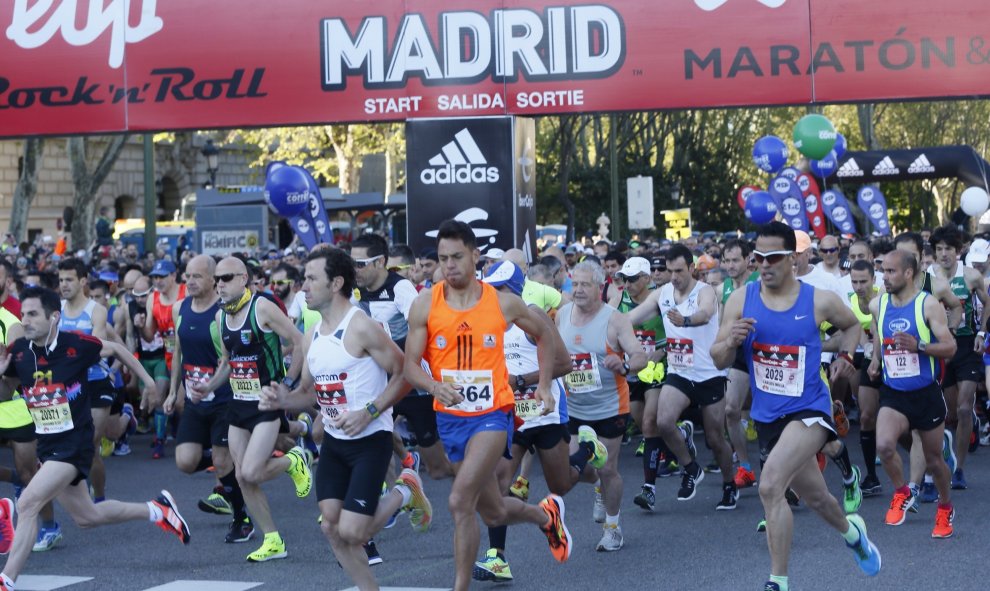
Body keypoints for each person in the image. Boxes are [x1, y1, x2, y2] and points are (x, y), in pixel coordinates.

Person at [402, 220, 572, 591]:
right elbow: (409, 367)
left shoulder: (502, 302)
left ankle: (459, 587)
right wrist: (433, 386)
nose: (449, 265)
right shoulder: (424, 305)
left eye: (457, 257)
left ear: (476, 256)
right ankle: (545, 517)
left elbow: (544, 334)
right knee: (492, 509)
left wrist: (543, 385)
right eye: (443, 258)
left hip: (494, 415)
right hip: (451, 418)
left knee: (459, 500)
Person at [711, 222, 880, 591]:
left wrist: (847, 356)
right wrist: (731, 341)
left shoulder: (818, 299)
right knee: (818, 498)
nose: (763, 265)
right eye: (758, 258)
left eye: (772, 258)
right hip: (769, 414)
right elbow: (717, 357)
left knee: (770, 486)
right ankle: (853, 533)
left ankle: (778, 581)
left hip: (810, 409)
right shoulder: (741, 299)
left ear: (791, 258)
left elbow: (851, 326)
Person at [260, 248, 433, 591]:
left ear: (336, 282)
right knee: (331, 528)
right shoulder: (312, 335)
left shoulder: (361, 326)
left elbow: (406, 373)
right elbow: (309, 393)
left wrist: (370, 410)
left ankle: (405, 491)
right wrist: (283, 400)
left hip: (371, 441)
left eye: (310, 279)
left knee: (355, 531)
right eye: (303, 279)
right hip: (336, 444)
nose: (302, 288)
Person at [0, 287, 189, 591]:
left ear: (54, 317)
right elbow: (5, 394)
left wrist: (150, 382)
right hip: (48, 446)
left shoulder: (76, 345)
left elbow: (116, 349)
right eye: (23, 314)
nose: (26, 320)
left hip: (74, 445)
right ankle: (158, 509)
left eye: (33, 314)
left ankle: (6, 580)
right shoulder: (20, 352)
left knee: (28, 503)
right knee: (87, 516)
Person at [473, 261, 598, 582]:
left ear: (515, 291)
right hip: (509, 416)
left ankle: (586, 449)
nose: (493, 296)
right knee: (499, 483)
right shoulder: (485, 322)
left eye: (499, 290)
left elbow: (565, 364)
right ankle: (496, 557)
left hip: (545, 412)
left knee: (560, 484)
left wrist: (522, 379)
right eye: (490, 289)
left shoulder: (533, 317)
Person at [187, 255, 309, 562]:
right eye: (217, 280)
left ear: (244, 278)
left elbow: (299, 341)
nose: (221, 285)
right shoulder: (220, 317)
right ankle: (273, 540)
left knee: (252, 471)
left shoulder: (262, 307)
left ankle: (294, 460)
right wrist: (209, 387)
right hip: (238, 404)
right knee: (242, 477)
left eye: (227, 278)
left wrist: (289, 382)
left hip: (267, 402)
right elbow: (228, 363)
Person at [628, 245, 736, 508]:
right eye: (669, 270)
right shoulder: (661, 294)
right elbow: (630, 318)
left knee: (714, 437)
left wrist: (685, 321)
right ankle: (691, 468)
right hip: (679, 372)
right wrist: (606, 325)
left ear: (691, 269)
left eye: (679, 270)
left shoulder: (705, 291)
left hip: (709, 373)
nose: (673, 276)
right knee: (662, 422)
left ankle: (729, 484)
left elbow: (706, 313)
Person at [163, 255, 253, 544]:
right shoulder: (180, 308)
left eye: (197, 276)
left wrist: (213, 384)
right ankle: (229, 464)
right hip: (194, 399)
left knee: (223, 462)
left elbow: (228, 359)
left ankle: (242, 518)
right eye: (187, 275)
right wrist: (172, 390)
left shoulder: (223, 312)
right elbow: (177, 352)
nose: (189, 281)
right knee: (185, 462)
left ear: (214, 279)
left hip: (224, 398)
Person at [557, 260, 646, 550]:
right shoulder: (562, 316)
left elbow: (640, 356)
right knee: (576, 469)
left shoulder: (615, 320)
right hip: (575, 408)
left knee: (608, 468)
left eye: (585, 284)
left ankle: (613, 528)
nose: (579, 290)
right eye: (575, 284)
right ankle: (598, 486)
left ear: (600, 287)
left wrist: (624, 364)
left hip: (610, 406)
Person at [869, 249, 957, 537]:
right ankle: (902, 491)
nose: (885, 276)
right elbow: (878, 333)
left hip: (925, 393)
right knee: (884, 445)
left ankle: (945, 508)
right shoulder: (878, 304)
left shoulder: (928, 304)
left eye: (891, 271)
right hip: (894, 392)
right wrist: (875, 360)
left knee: (934, 460)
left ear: (908, 273)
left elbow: (950, 347)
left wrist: (919, 345)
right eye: (883, 271)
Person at [927, 224, 990, 489]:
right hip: (942, 346)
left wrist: (982, 332)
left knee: (964, 409)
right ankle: (966, 429)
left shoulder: (972, 276)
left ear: (958, 250)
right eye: (939, 249)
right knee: (951, 413)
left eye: (948, 249)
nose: (943, 254)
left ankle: (960, 469)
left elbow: (987, 302)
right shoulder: (927, 277)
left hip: (966, 345)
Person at [614, 257, 667, 512]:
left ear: (647, 278)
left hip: (657, 367)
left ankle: (649, 489)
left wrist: (663, 350)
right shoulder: (619, 300)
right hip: (633, 371)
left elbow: (681, 335)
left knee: (649, 423)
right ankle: (678, 439)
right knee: (643, 423)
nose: (628, 283)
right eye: (624, 278)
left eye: (633, 279)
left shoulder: (661, 298)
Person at [719, 239, 760, 490]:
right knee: (731, 410)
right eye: (727, 260)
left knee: (775, 415)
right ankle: (745, 466)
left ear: (748, 260)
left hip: (765, 352)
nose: (731, 265)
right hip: (739, 354)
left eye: (736, 260)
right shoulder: (723, 287)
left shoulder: (760, 281)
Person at [143, 259, 187, 459]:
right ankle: (160, 439)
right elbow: (150, 335)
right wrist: (140, 325)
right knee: (159, 397)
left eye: (162, 276)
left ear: (173, 276)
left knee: (180, 402)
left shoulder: (185, 292)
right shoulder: (153, 298)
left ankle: (192, 439)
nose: (158, 281)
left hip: (190, 355)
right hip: (168, 354)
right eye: (154, 277)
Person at [848, 260, 883, 496]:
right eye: (855, 281)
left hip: (891, 358)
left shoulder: (883, 296)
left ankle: (929, 464)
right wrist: (866, 348)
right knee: (867, 415)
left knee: (904, 426)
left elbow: (879, 325)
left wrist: (877, 351)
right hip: (867, 359)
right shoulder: (851, 299)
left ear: (873, 280)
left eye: (863, 281)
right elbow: (854, 327)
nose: (859, 286)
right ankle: (871, 476)